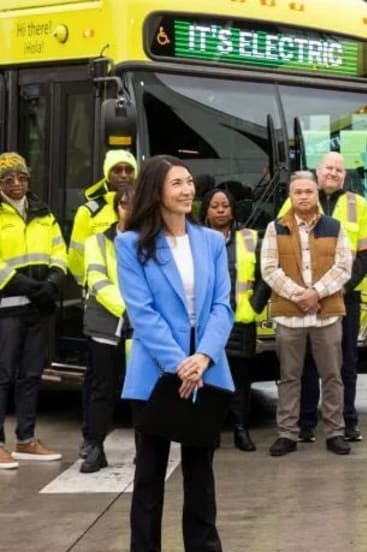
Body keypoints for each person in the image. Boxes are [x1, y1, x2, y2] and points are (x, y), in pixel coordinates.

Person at [116, 155, 234, 550]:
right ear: (156, 190)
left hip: (206, 369)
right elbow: (142, 312)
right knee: (149, 474)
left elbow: (222, 306)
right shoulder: (130, 245)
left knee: (201, 475)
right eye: (176, 184)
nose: (187, 190)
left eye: (188, 182)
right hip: (156, 373)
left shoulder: (212, 241)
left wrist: (203, 357)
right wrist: (179, 364)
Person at [297, 151, 367, 443]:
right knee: (308, 362)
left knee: (345, 362)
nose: (333, 173)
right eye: (328, 168)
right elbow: (287, 246)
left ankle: (348, 421)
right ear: (317, 171)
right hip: (306, 297)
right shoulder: (299, 197)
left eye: (338, 169)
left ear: (344, 175)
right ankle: (307, 423)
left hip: (344, 296)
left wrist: (343, 286)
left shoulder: (358, 204)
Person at [262, 171, 353, 457]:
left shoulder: (335, 226)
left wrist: (316, 293)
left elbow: (343, 267)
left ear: (316, 194)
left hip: (326, 316)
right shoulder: (275, 228)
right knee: (290, 377)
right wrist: (299, 296)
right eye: (298, 191)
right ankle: (287, 434)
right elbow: (268, 269)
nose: (303, 196)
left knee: (332, 376)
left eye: (308, 191)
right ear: (290, 196)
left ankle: (335, 432)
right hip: (290, 317)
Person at [0, 151, 68, 470]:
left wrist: (53, 283)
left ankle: (25, 439)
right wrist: (26, 286)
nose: (16, 183)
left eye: (21, 177)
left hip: (38, 308)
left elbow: (59, 249)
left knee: (30, 375)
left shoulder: (43, 212)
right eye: (8, 179)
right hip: (6, 308)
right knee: (2, 376)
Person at [200, 187, 271, 452]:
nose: (220, 210)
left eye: (225, 206)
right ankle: (210, 432)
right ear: (205, 210)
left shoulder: (250, 238)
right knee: (207, 379)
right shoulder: (194, 239)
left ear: (233, 210)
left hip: (240, 321)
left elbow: (266, 276)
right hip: (207, 322)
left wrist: (254, 307)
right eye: (214, 206)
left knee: (240, 379)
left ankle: (241, 429)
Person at [78, 186, 134, 473]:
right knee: (103, 388)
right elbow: (98, 282)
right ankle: (95, 446)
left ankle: (147, 450)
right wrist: (128, 311)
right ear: (116, 208)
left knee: (143, 390)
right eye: (124, 205)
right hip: (107, 323)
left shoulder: (152, 241)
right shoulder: (97, 242)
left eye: (135, 205)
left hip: (140, 325)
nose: (129, 210)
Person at [69, 149, 139, 285]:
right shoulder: (88, 211)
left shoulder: (146, 207)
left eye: (129, 170)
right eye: (117, 170)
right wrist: (87, 284)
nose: (124, 175)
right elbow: (76, 256)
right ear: (108, 174)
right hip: (101, 291)